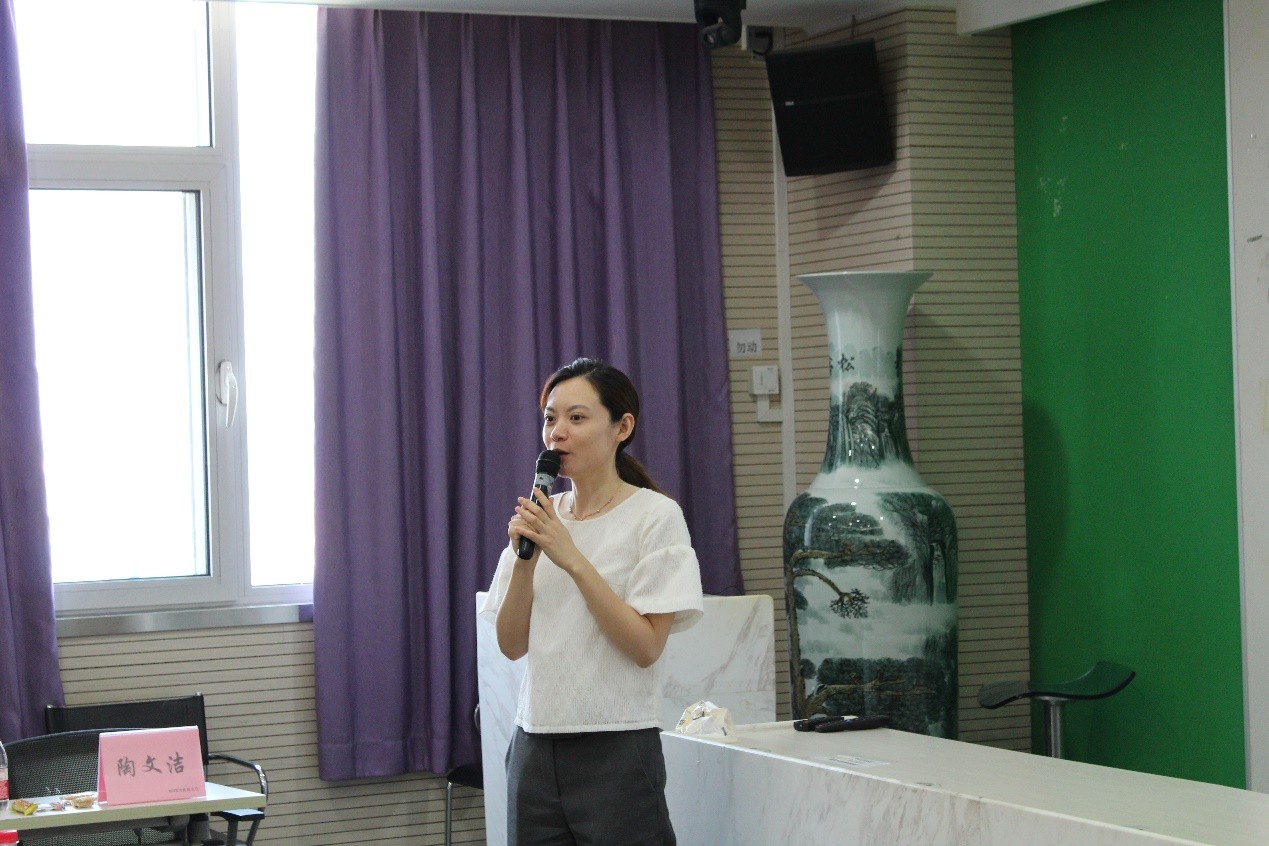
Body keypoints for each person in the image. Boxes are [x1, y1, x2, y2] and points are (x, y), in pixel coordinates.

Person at [480, 357, 704, 846]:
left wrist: (572, 559)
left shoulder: (655, 517)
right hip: (533, 746)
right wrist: (525, 560)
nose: (556, 432)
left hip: (617, 746)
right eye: (550, 418)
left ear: (622, 427)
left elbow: (645, 647)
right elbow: (511, 645)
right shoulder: (543, 516)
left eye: (576, 418)